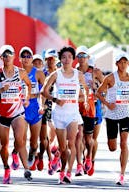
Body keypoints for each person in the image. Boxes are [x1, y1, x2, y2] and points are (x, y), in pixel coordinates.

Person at [0, 45, 32, 184]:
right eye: (4, 55)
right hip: (2, 113)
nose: (7, 58)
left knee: (20, 140)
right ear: (1, 58)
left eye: (9, 55)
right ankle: (6, 169)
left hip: (17, 112)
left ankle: (16, 154)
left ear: (14, 56)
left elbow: (28, 85)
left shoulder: (21, 72)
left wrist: (27, 98)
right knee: (4, 145)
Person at [41, 46, 89, 184]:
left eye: (69, 57)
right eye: (64, 57)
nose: (66, 59)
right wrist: (55, 100)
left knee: (71, 143)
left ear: (73, 59)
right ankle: (61, 170)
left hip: (73, 114)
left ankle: (68, 172)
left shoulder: (78, 74)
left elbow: (85, 88)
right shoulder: (55, 75)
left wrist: (85, 100)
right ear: (60, 59)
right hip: (59, 115)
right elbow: (44, 92)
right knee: (63, 148)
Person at [96, 53, 129, 186]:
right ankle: (120, 171)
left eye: (125, 62)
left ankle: (122, 174)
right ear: (116, 64)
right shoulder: (110, 78)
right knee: (113, 147)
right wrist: (107, 103)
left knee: (124, 143)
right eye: (120, 62)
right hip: (112, 115)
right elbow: (98, 92)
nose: (123, 64)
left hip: (126, 113)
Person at [75, 46, 104, 177]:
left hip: (92, 107)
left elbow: (107, 88)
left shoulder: (95, 72)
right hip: (77, 106)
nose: (81, 59)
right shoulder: (74, 71)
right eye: (79, 56)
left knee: (90, 139)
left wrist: (96, 87)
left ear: (88, 57)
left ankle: (90, 158)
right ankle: (79, 165)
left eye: (84, 56)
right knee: (78, 136)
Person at [15, 47, 45, 171]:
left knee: (33, 142)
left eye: (29, 56)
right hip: (21, 107)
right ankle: (22, 160)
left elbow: (45, 91)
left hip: (35, 107)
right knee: (21, 137)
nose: (26, 58)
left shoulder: (38, 73)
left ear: (32, 59)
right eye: (24, 56)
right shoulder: (16, 72)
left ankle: (32, 154)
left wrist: (43, 104)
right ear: (20, 58)